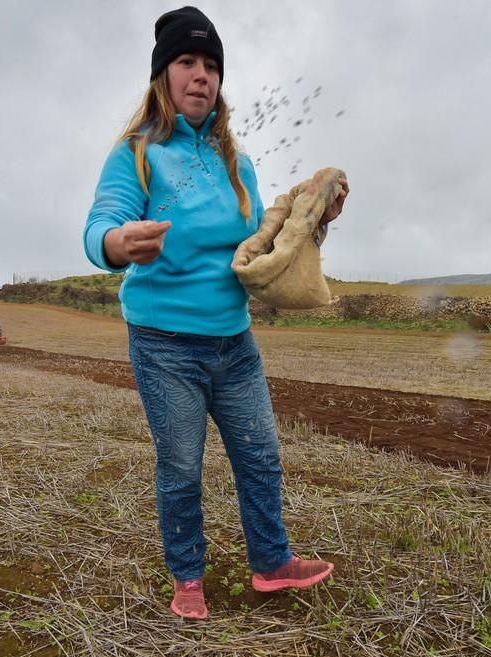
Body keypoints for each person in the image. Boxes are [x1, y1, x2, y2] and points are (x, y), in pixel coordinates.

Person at [83, 6, 349, 620]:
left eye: (210, 66)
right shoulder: (137, 154)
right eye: (186, 62)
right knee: (181, 465)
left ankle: (271, 564)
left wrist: (314, 218)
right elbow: (100, 225)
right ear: (163, 75)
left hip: (235, 341)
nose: (201, 75)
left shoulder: (239, 162)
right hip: (164, 342)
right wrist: (118, 243)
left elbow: (259, 245)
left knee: (260, 455)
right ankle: (188, 580)